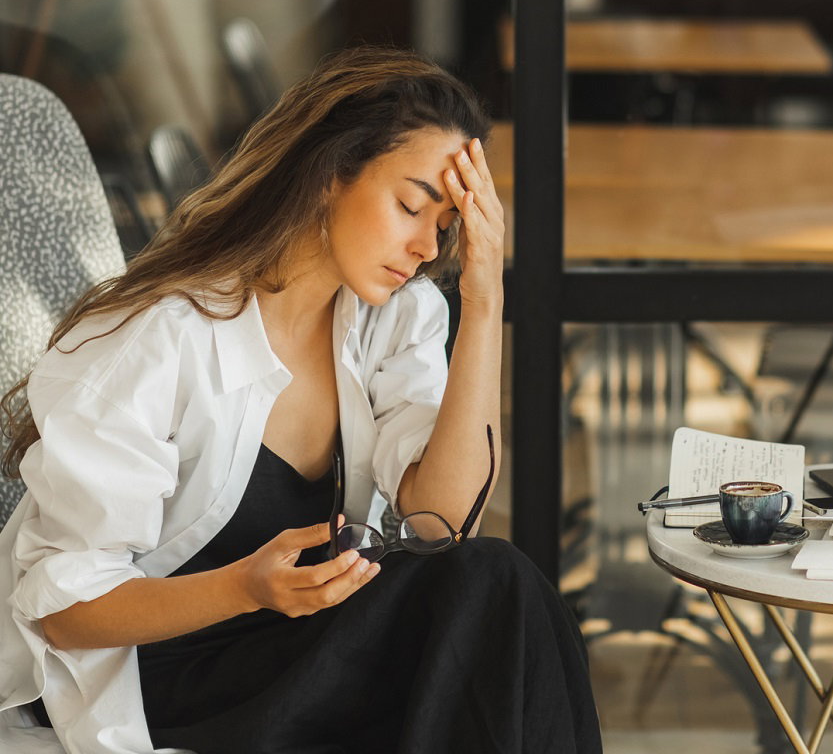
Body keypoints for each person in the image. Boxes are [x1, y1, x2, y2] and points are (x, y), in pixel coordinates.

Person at [0, 46, 602, 753]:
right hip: (163, 678)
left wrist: (486, 294)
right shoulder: (158, 340)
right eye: (410, 205)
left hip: (302, 653)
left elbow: (444, 522)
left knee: (489, 586)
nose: (424, 244)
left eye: (444, 226)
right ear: (328, 175)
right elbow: (65, 611)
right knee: (489, 599)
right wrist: (244, 588)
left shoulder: (390, 319)